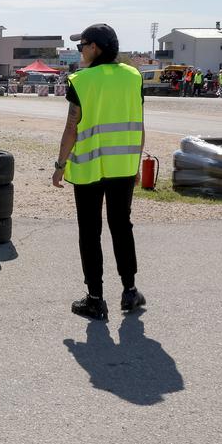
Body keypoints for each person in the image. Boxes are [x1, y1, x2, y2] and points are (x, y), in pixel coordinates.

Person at [52, 23, 145, 320]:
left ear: (95, 48)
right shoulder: (133, 76)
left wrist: (59, 165)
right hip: (124, 167)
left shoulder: (80, 80)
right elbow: (140, 123)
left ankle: (95, 298)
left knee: (90, 231)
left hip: (89, 168)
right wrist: (137, 163)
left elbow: (71, 127)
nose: (79, 51)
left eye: (82, 45)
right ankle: (130, 291)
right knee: (121, 226)